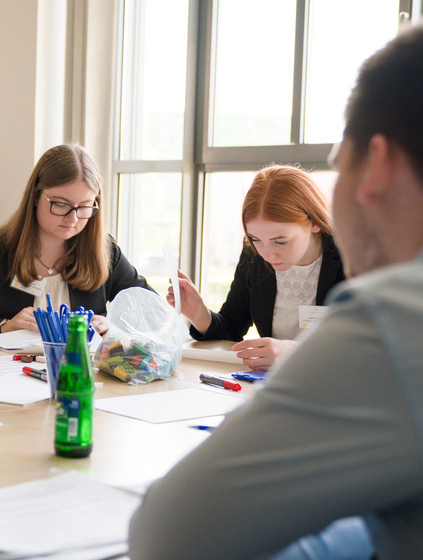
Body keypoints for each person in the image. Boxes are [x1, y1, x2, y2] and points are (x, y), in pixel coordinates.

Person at [129, 23, 423, 560]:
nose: (267, 251)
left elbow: (168, 535)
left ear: (376, 165)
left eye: (341, 163)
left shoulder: (395, 317)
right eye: (257, 240)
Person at [0, 143, 153, 343]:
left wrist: (112, 327)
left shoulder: (105, 253)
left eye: (85, 206)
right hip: (5, 379)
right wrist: (1, 327)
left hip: (79, 379)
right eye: (61, 204)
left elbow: (151, 312)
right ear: (36, 196)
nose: (73, 218)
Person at [168, 165, 345, 370]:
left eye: (280, 241)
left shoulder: (351, 257)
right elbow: (231, 328)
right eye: (255, 239)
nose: (267, 254)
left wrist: (297, 351)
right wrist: (199, 314)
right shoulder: (254, 256)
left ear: (314, 222)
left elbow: (371, 345)